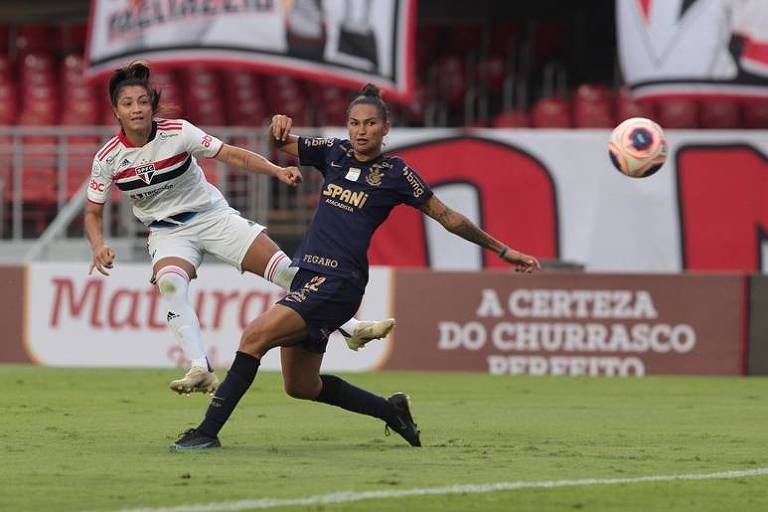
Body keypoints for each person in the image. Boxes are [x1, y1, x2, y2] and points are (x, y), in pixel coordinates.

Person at [170, 83, 540, 451]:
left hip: (339, 282)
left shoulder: (396, 174)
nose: (361, 131)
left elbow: (448, 217)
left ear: (385, 128)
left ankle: (206, 431)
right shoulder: (333, 152)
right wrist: (276, 127)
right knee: (301, 386)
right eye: (354, 123)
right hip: (307, 279)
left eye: (369, 124)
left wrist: (501, 249)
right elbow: (281, 144)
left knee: (254, 337)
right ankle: (391, 411)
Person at [84, 62, 396, 395]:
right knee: (171, 286)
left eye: (142, 101)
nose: (137, 109)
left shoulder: (178, 132)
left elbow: (233, 156)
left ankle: (352, 328)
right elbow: (92, 212)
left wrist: (276, 170)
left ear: (151, 105)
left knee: (288, 273)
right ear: (116, 111)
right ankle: (200, 369)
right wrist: (98, 245)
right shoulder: (109, 158)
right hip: (167, 232)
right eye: (128, 103)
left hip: (211, 217)